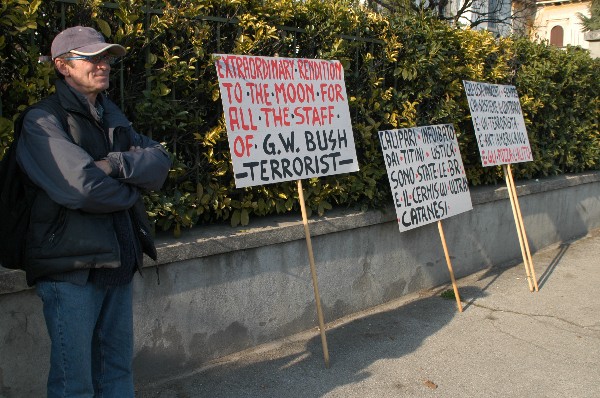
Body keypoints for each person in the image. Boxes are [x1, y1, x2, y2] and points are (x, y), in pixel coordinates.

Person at [15, 26, 171, 397]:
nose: (103, 64)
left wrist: (114, 163)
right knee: (76, 384)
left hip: (116, 261)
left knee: (116, 371)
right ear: (63, 66)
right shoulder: (42, 121)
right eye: (91, 57)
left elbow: (160, 161)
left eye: (107, 58)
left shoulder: (111, 115)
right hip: (71, 270)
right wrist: (132, 191)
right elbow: (81, 188)